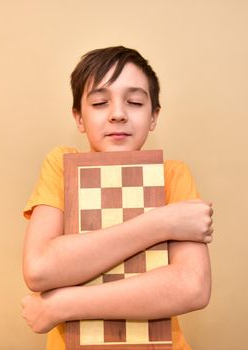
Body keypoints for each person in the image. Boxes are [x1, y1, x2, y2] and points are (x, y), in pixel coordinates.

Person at [21, 46, 214, 349]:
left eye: (135, 101)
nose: (118, 114)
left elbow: (192, 287)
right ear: (79, 118)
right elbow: (40, 269)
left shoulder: (173, 176)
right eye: (99, 102)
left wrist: (63, 304)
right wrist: (163, 222)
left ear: (154, 116)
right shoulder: (61, 165)